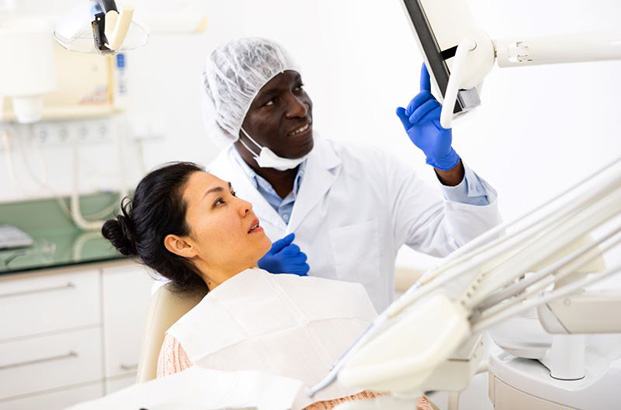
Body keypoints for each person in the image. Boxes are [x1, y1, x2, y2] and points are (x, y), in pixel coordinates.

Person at [102, 162, 433, 410]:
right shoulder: (190, 345)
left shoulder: (337, 297)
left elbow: (405, 394)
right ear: (183, 245)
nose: (244, 205)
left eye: (233, 193)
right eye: (219, 202)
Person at [203, 37, 502, 311]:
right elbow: (188, 316)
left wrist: (446, 165)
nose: (298, 108)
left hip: (364, 366)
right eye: (270, 101)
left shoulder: (373, 170)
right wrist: (249, 280)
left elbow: (473, 249)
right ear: (232, 123)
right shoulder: (200, 201)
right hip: (263, 369)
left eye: (298, 88)